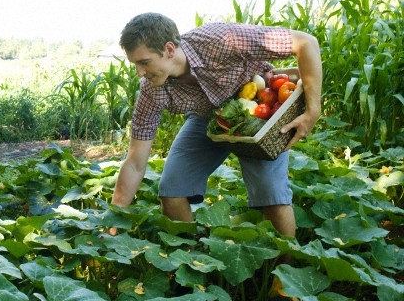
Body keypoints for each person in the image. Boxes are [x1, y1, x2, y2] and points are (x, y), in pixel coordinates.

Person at [110, 12, 322, 239]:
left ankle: (283, 270)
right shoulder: (152, 90)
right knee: (172, 189)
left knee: (271, 194)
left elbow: (305, 42)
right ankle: (190, 260)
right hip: (209, 119)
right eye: (135, 64)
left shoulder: (220, 39)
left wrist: (313, 111)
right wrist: (111, 224)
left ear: (169, 50)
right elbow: (134, 163)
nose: (140, 73)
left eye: (144, 63)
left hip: (257, 109)